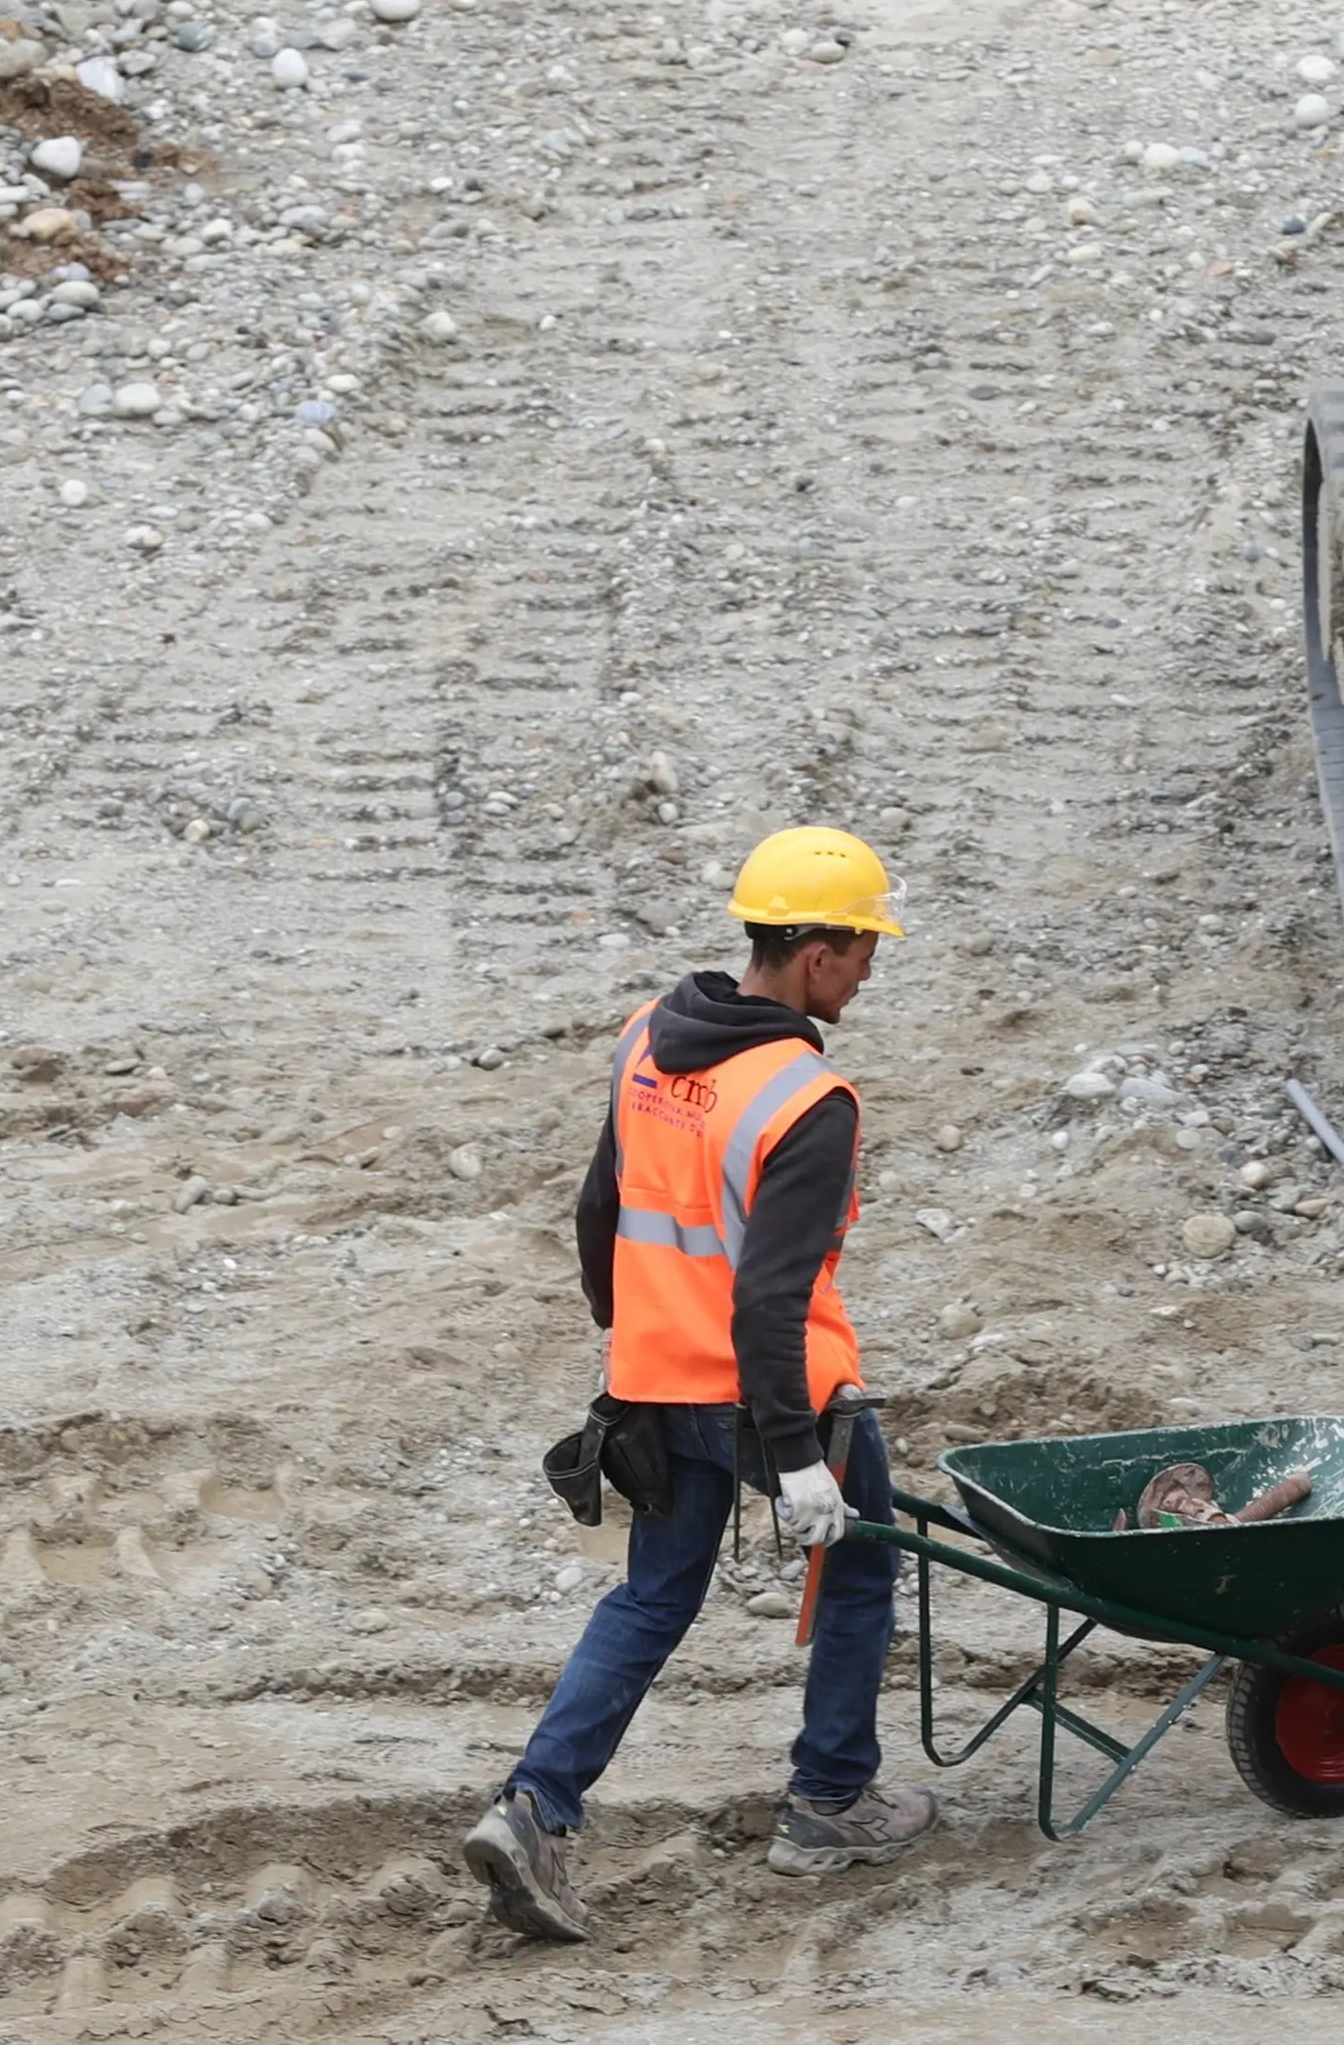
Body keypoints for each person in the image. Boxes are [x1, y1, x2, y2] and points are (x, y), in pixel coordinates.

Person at [460, 825, 939, 1940]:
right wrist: (792, 1457)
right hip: (788, 1400)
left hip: (656, 1384)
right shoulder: (806, 1099)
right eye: (865, 946)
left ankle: (533, 1807)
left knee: (651, 1597)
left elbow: (597, 1211)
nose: (870, 968)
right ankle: (828, 1801)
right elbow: (771, 1304)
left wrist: (631, 1337)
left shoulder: (648, 1038)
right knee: (860, 1574)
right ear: (816, 954)